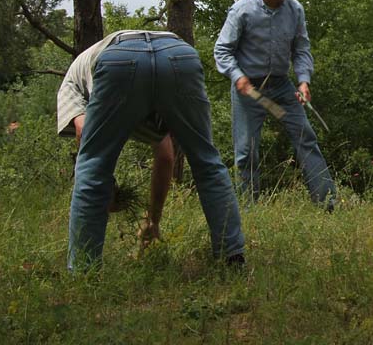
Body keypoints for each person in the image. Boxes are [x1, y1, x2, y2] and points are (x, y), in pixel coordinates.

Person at [57, 30, 245, 271]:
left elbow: (86, 140)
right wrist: (152, 220)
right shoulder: (100, 78)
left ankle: (83, 270)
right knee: (207, 161)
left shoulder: (72, 86)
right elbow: (166, 154)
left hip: (119, 62)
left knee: (92, 166)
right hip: (179, 55)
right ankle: (233, 258)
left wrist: (108, 193)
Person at [213, 0, 337, 208]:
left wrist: (303, 81)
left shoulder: (295, 10)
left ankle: (328, 203)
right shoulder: (242, 11)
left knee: (306, 137)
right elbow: (222, 50)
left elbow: (301, 50)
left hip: (282, 86)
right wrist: (237, 76)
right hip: (249, 89)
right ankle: (249, 210)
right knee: (246, 152)